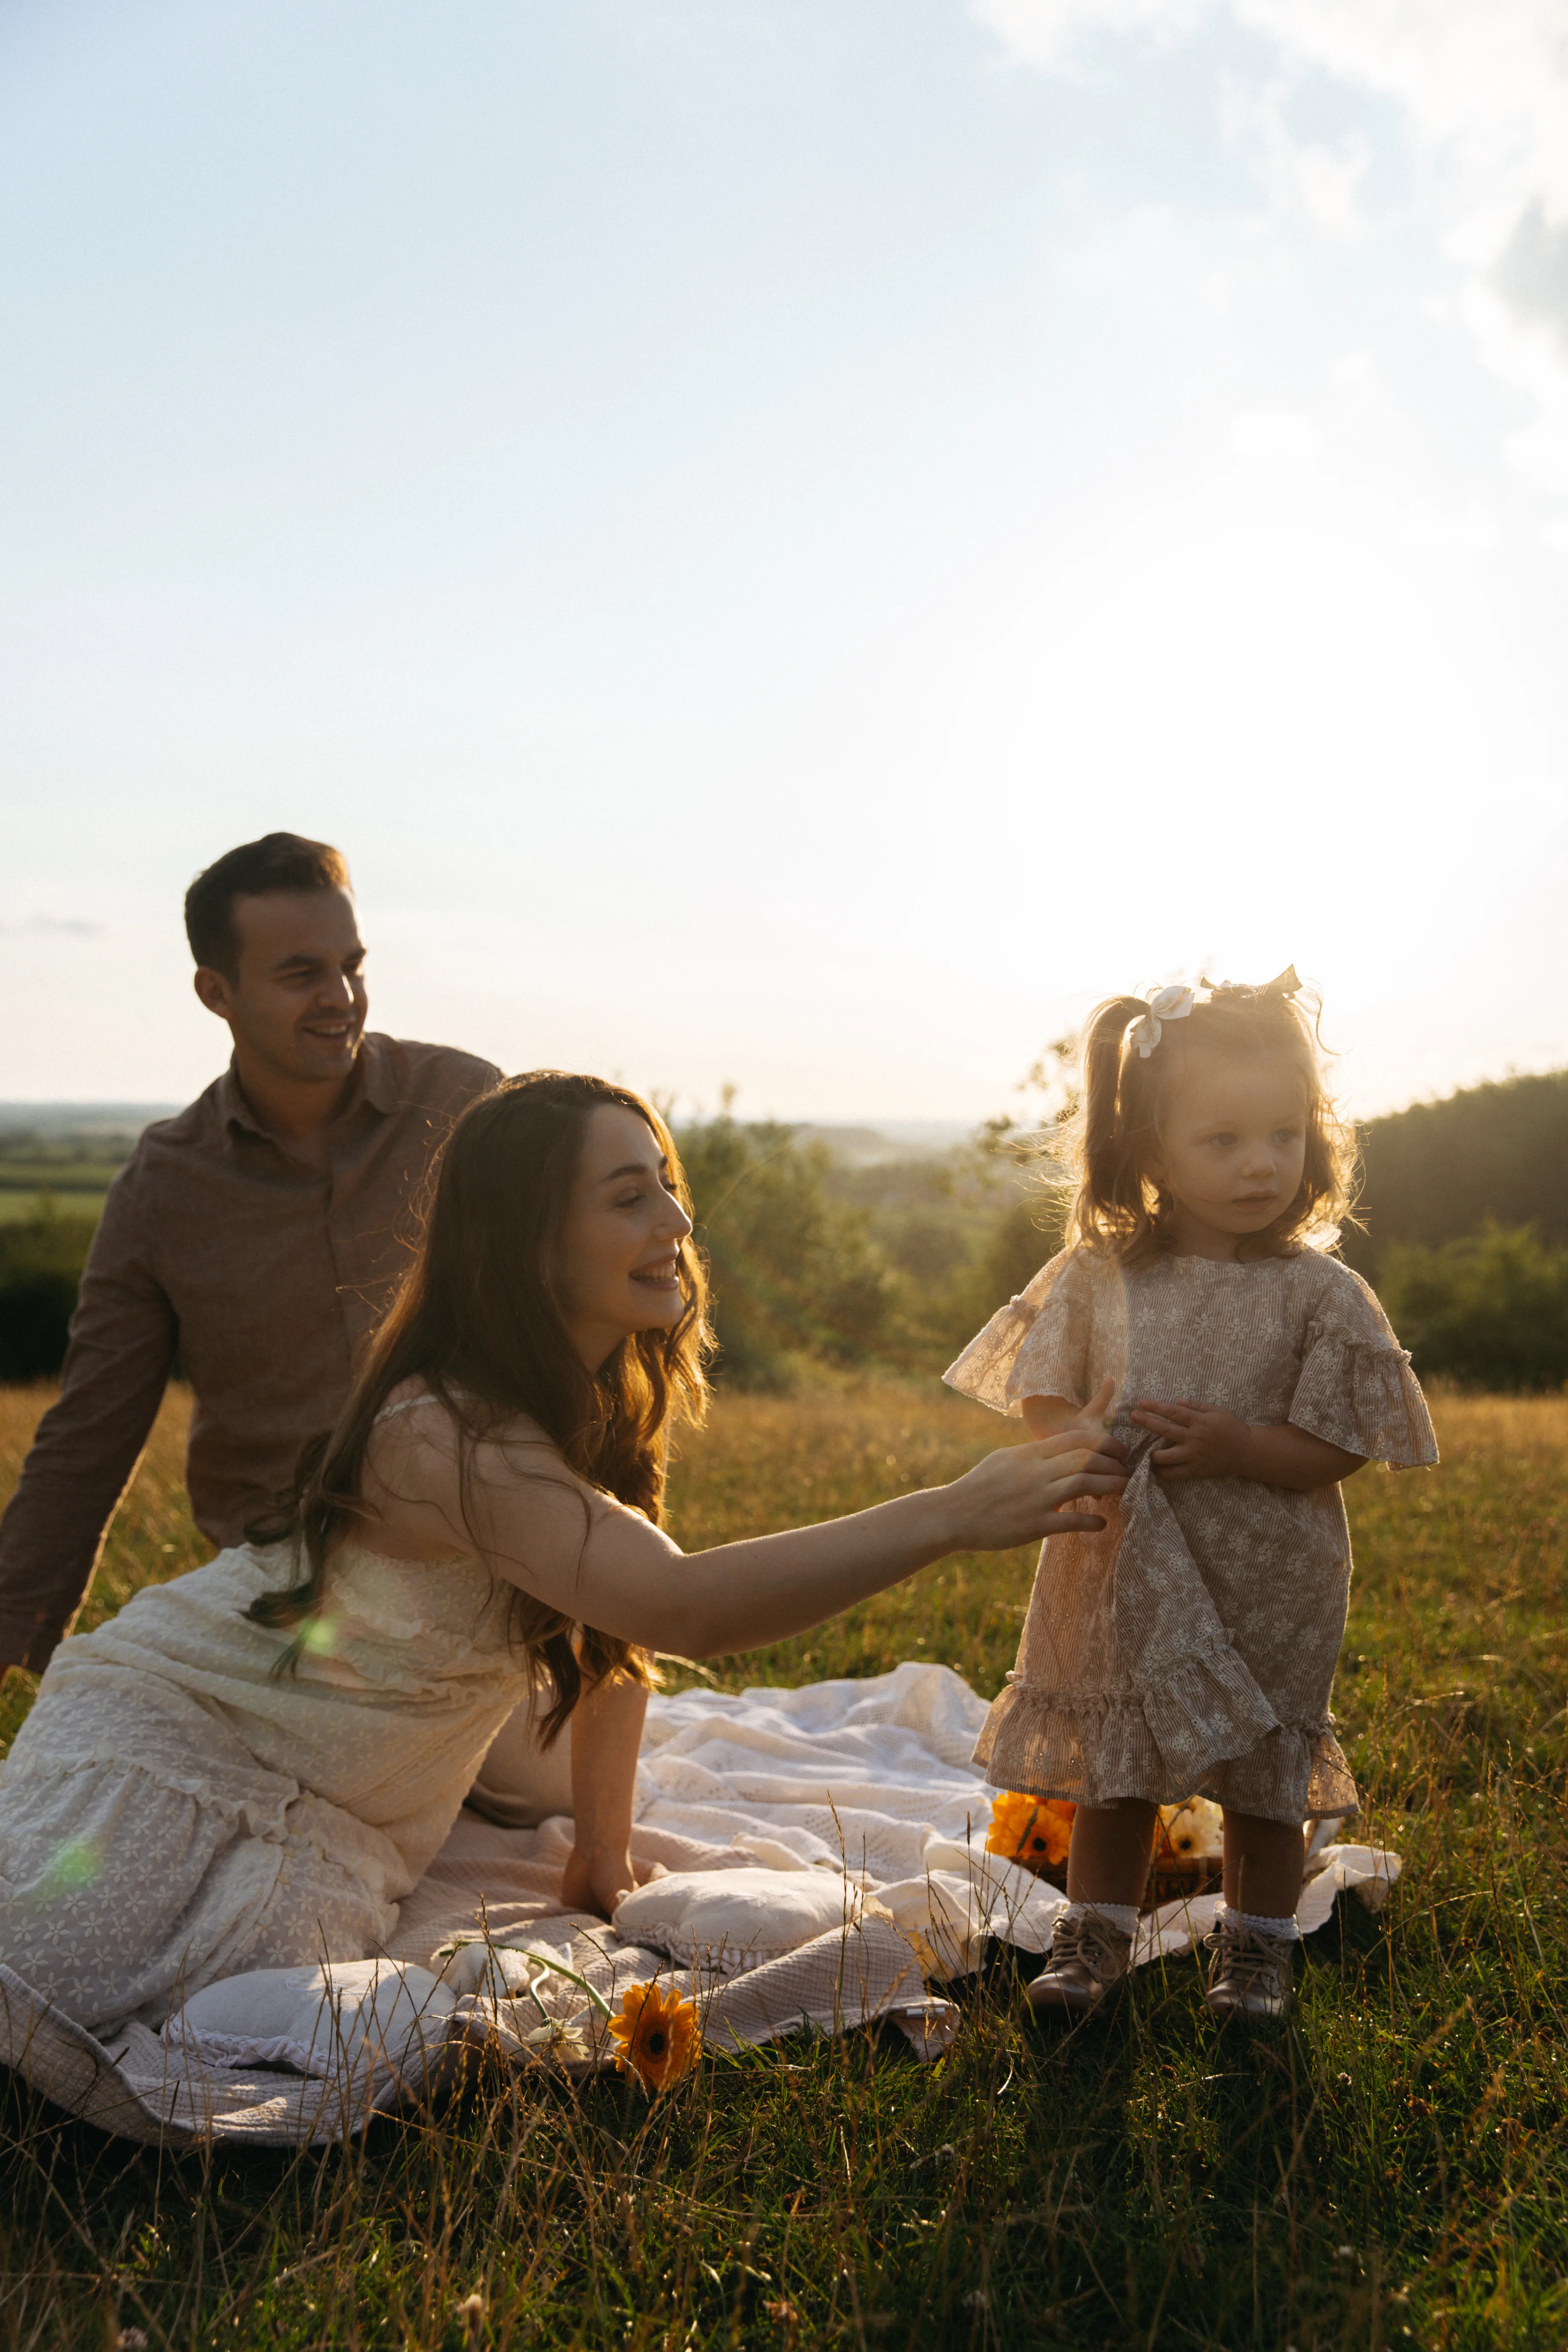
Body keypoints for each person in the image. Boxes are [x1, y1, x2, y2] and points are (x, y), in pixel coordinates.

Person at [0, 1072, 1129, 2037]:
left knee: (284, 1995)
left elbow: (620, 1631)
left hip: (339, 1810)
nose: (676, 1227)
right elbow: (682, 1605)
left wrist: (602, 1851)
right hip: (174, 1744)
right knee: (50, 1984)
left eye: (669, 1188)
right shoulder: (442, 1431)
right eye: (629, 1198)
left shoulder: (582, 1404)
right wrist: (948, 1513)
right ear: (531, 1241)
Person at [944, 971, 1436, 2023]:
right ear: (1152, 1153)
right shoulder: (1104, 1273)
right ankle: (1094, 1939)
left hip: (1269, 1570)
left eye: (1284, 1134)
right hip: (1120, 1554)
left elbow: (1334, 1447)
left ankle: (1256, 1950)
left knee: (1263, 1778)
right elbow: (1043, 1388)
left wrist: (1238, 1445)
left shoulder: (1320, 1292)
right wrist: (1075, 1441)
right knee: (1117, 1772)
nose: (1262, 1163)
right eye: (1223, 1141)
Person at [0, 833, 498, 1681]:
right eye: (302, 973)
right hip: (282, 1593)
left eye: (353, 965)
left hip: (492, 1562)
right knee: (117, 1715)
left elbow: (589, 1328)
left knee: (510, 1788)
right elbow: (89, 1437)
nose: (341, 997)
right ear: (215, 992)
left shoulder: (468, 1106)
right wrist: (13, 1632)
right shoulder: (164, 1187)